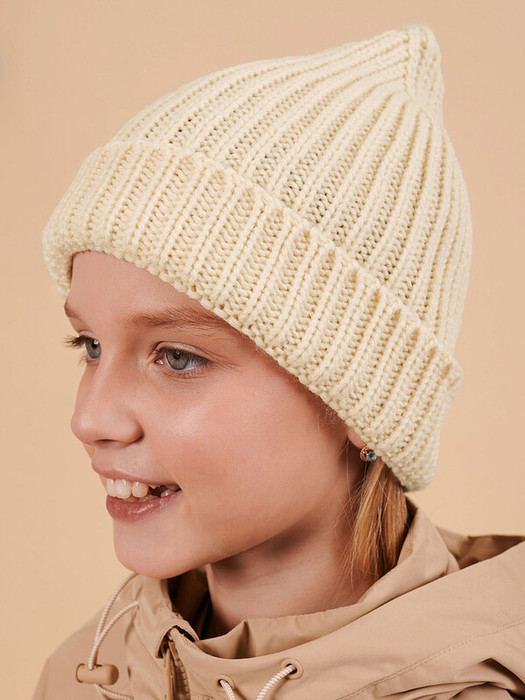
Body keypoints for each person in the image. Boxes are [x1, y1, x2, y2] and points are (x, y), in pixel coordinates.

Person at [33, 24, 525, 700]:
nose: (89, 419)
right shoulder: (86, 675)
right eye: (90, 345)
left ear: (363, 397)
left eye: (177, 357)